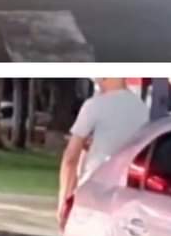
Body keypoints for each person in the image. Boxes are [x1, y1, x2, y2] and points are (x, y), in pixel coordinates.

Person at [58, 79, 149, 224]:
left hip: (92, 193)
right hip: (125, 196)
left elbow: (70, 157)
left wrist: (64, 199)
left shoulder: (94, 105)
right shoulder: (142, 109)